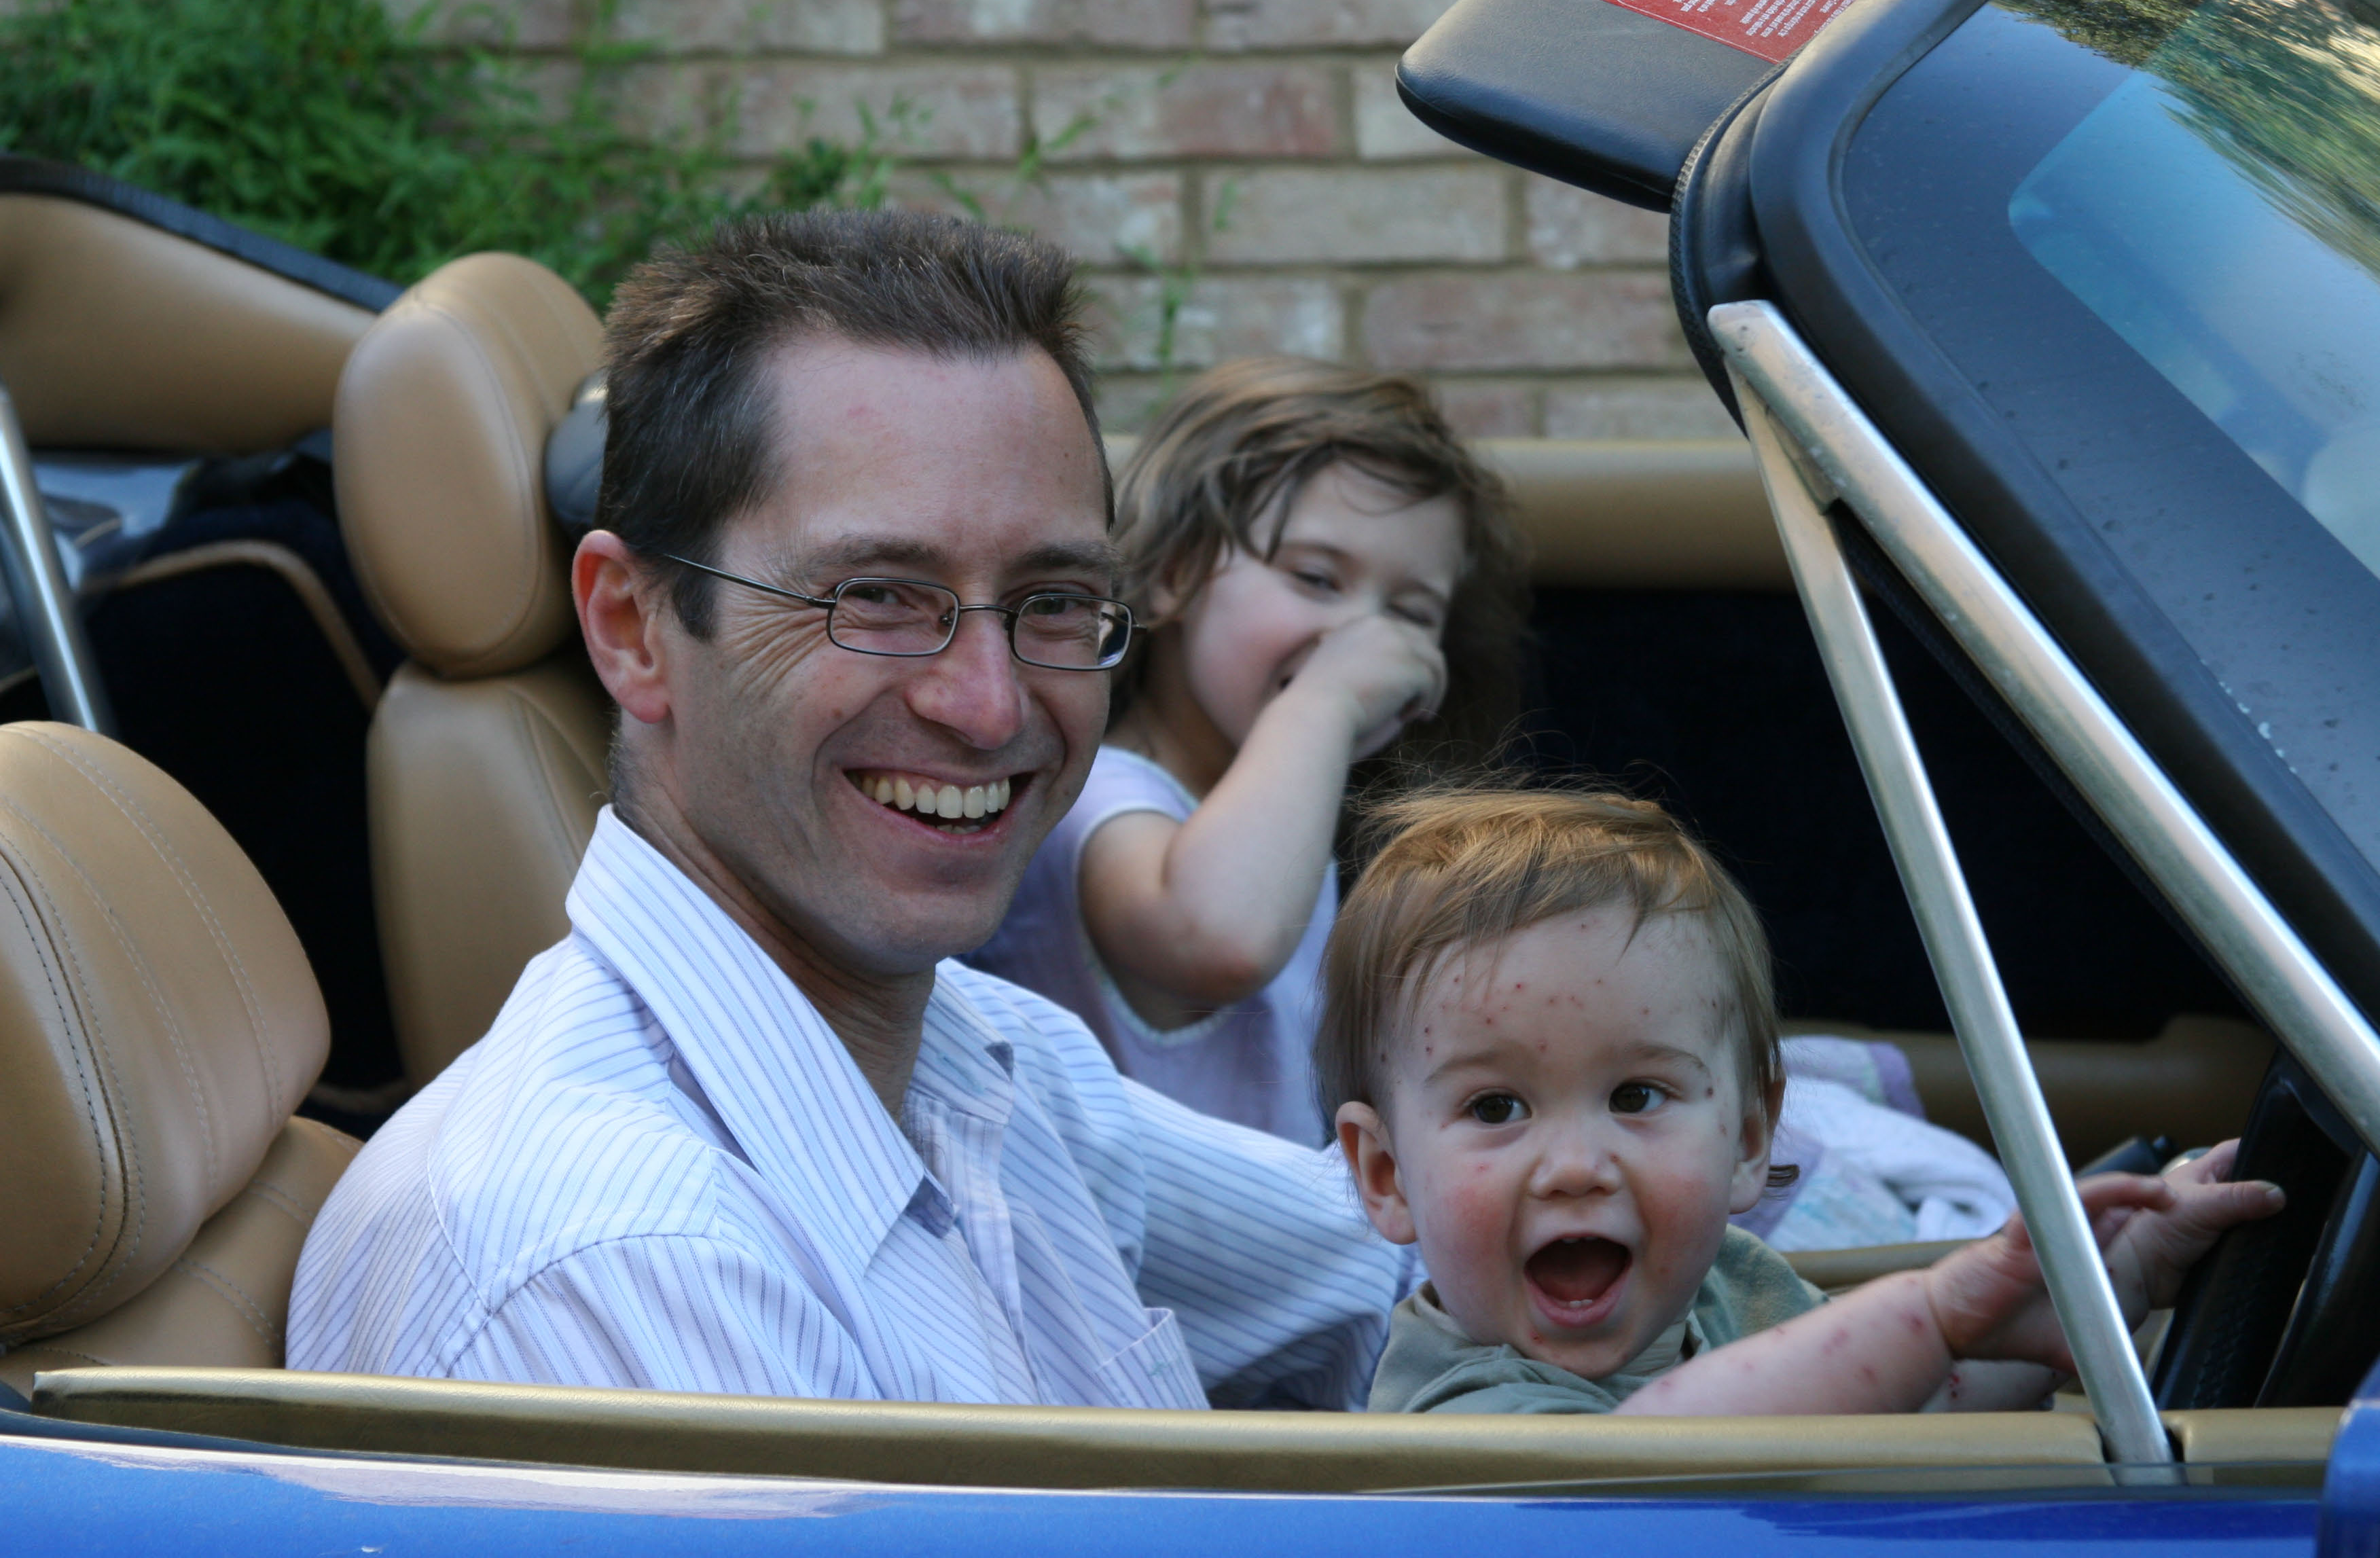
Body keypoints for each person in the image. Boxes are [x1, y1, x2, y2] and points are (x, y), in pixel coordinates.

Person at [288, 211, 1411, 1408]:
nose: (988, 707)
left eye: (1051, 601)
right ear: (632, 628)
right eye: (875, 596)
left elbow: (1399, 1263)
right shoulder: (627, 1262)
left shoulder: (977, 1054)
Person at [1313, 787, 2284, 1415]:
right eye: (1496, 1109)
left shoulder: (1731, 1284)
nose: (1575, 1167)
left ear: (1748, 1138)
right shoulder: (1465, 1401)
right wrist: (1930, 1313)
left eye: (1637, 1094)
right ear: (1387, 1175)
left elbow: (1924, 1401)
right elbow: (1642, 1465)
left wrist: (2111, 1287)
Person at [967, 359, 1528, 1143]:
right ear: (1175, 574)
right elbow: (1218, 938)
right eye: (1317, 578)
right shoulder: (1099, 794)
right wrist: (1325, 699)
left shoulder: (1283, 822)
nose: (1364, 637)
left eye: (1409, 612)